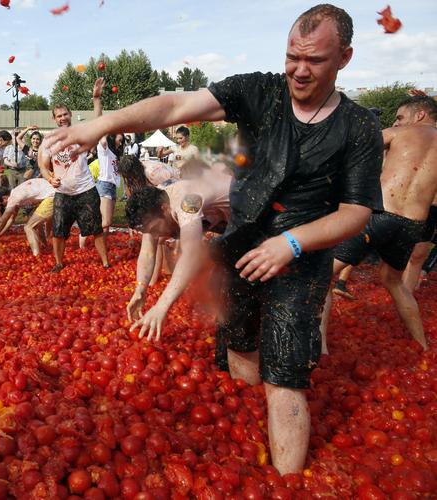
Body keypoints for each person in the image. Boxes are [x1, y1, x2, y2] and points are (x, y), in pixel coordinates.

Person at [42, 5, 383, 475]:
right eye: (292, 57)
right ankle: (249, 443)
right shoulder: (259, 91)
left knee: (283, 378)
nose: (299, 70)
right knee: (241, 346)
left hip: (299, 254)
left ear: (344, 57)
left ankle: (287, 483)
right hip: (241, 244)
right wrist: (100, 125)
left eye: (315, 60)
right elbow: (174, 105)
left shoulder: (358, 125)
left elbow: (357, 212)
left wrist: (293, 244)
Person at [323, 95, 437, 352]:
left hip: (380, 214)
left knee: (320, 274)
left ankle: (321, 350)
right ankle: (423, 346)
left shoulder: (400, 134)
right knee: (393, 280)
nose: (396, 123)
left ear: (419, 115)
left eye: (399, 117)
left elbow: (350, 146)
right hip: (413, 225)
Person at [126, 168, 231, 341]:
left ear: (165, 209)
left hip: (252, 208)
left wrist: (162, 306)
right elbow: (147, 250)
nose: (157, 235)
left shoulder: (186, 201)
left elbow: (191, 253)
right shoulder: (154, 201)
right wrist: (140, 288)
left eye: (154, 229)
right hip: (227, 222)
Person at [39, 79, 110, 273]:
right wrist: (49, 178)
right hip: (63, 192)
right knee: (59, 231)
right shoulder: (49, 140)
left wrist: (96, 98)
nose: (62, 118)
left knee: (96, 229)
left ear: (70, 115)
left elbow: (99, 122)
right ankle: (59, 263)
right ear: (54, 119)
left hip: (86, 189)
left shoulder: (81, 132)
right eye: (58, 116)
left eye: (65, 114)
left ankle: (105, 262)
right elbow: (43, 165)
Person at [0, 178, 55, 256]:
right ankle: (45, 246)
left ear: (5, 198)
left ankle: (37, 256)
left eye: (1, 204)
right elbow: (11, 220)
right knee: (36, 224)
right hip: (52, 194)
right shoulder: (16, 194)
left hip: (51, 197)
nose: (2, 206)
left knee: (28, 227)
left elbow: (2, 221)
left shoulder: (13, 198)